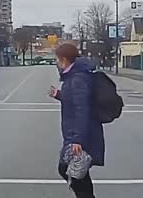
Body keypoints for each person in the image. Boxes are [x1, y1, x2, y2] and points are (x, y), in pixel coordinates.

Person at [49, 43, 105, 198]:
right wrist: (59, 95)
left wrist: (78, 139)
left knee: (69, 170)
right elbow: (76, 101)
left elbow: (82, 110)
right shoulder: (75, 76)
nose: (57, 63)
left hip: (80, 135)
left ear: (65, 60)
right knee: (77, 172)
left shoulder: (77, 79)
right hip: (76, 133)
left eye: (58, 60)